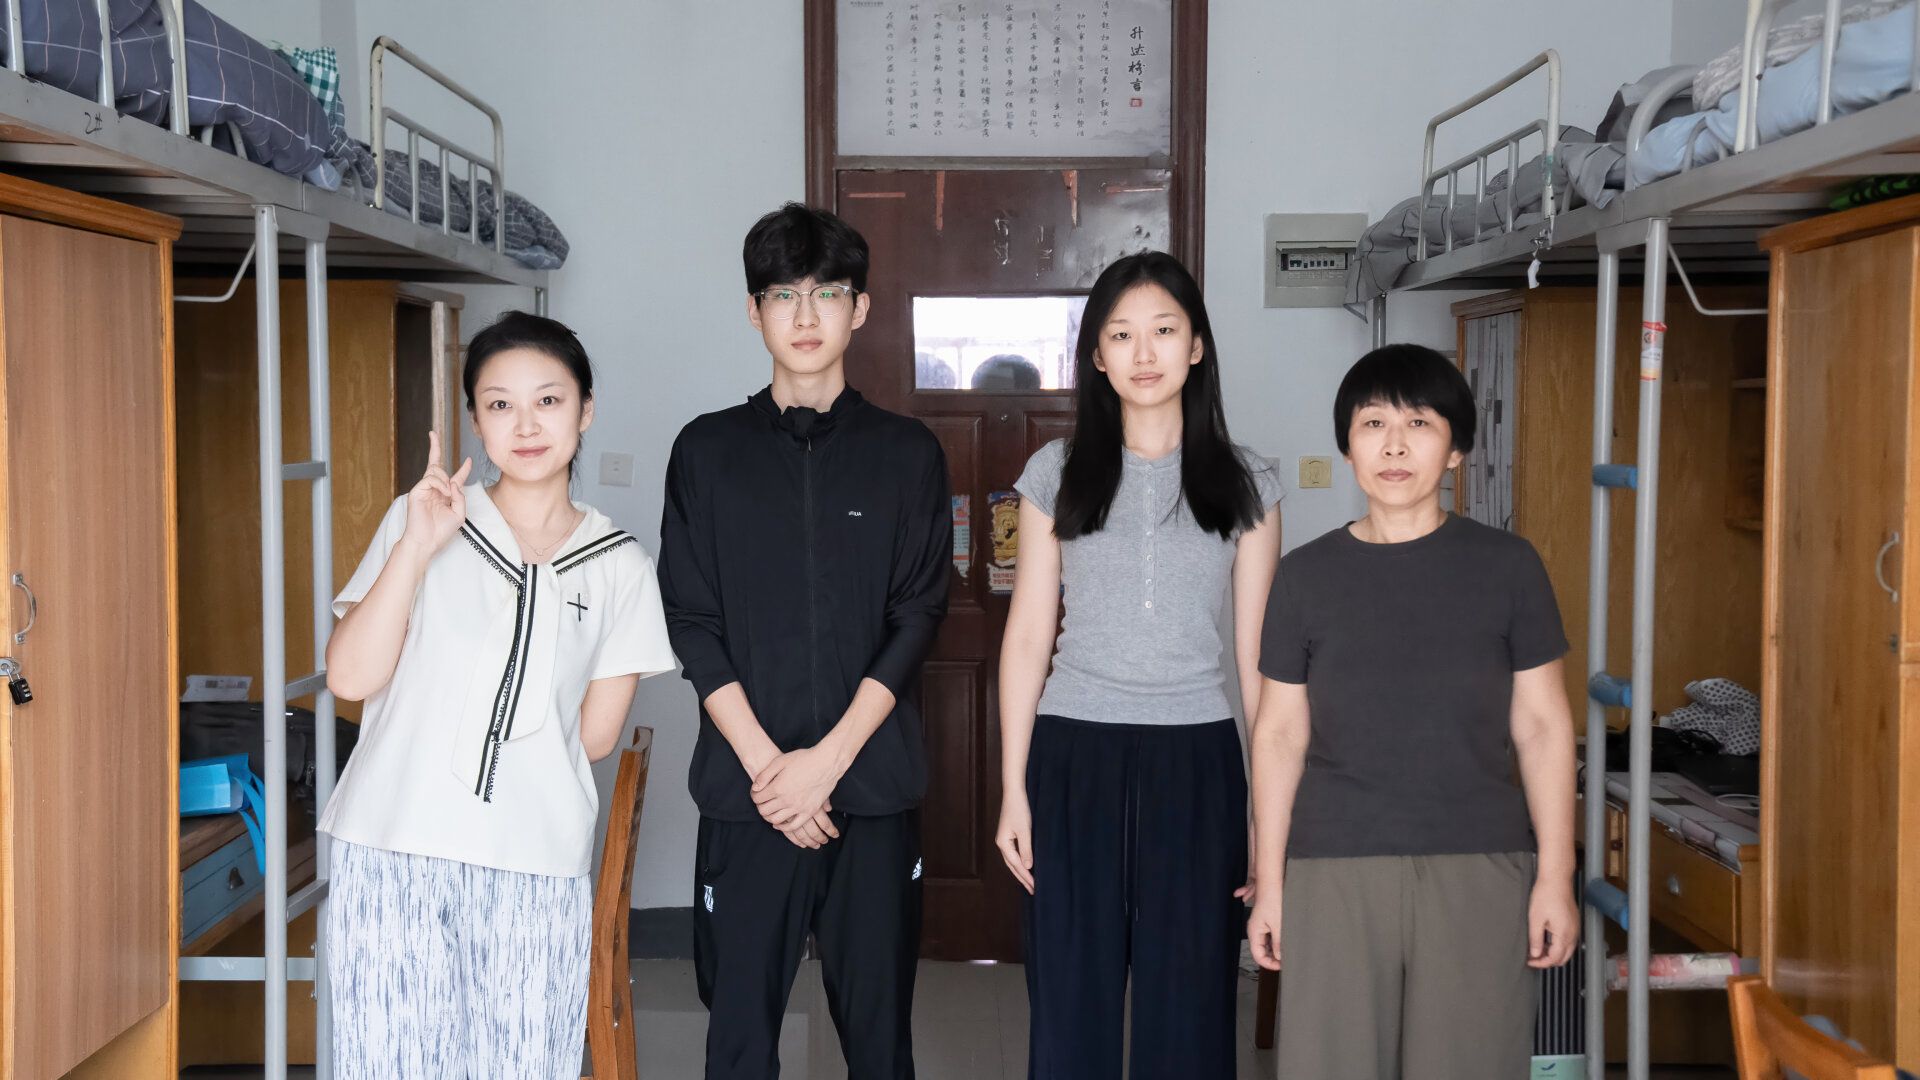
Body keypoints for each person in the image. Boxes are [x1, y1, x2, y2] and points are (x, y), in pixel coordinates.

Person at [320, 311, 677, 1078]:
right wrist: (417, 548)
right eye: (499, 404)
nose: (526, 425)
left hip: (535, 862)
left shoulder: (620, 566)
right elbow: (349, 678)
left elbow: (595, 738)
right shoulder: (421, 521)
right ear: (476, 423)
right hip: (393, 847)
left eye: (548, 400)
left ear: (585, 410)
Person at [658, 202, 952, 1080]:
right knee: (739, 1043)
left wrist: (825, 764)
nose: (806, 315)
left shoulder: (907, 453)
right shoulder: (707, 451)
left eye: (827, 293)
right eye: (784, 295)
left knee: (880, 1045)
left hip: (872, 791)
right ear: (754, 312)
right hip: (747, 797)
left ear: (861, 308)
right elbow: (691, 621)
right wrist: (772, 774)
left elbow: (917, 616)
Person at [1246, 343, 1580, 1080]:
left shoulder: (1509, 566)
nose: (1394, 446)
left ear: (1457, 450)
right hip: (1333, 866)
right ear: (1347, 447)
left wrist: (1555, 877)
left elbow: (1543, 728)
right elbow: (1279, 736)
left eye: (1420, 423)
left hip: (1478, 863)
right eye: (1373, 424)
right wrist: (1270, 883)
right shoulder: (1303, 576)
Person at [996, 250, 1283, 1078]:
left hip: (1197, 758)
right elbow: (1027, 638)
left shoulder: (1249, 482)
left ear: (1197, 345)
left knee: (1190, 1004)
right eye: (1121, 335)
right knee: (1069, 1000)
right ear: (1096, 354)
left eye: (1164, 330)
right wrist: (1013, 787)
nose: (1144, 352)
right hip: (1073, 752)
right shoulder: (1055, 473)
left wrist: (1266, 816)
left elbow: (1260, 663)